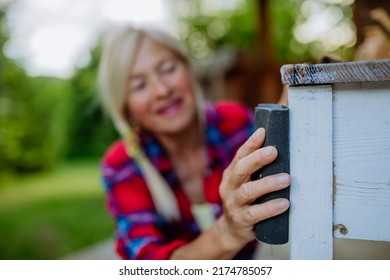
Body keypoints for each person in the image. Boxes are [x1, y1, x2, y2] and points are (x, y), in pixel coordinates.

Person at [98, 24, 290, 260]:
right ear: (127, 109)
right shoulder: (122, 165)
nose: (162, 90)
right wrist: (227, 232)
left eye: (168, 69)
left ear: (188, 70)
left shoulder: (234, 122)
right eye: (139, 85)